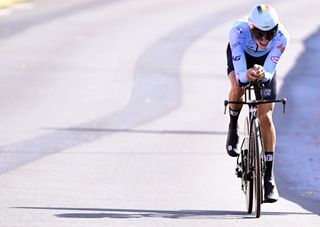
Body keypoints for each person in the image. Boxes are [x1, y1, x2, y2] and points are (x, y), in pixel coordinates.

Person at [226, 4, 289, 203]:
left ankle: (269, 177)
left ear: (276, 31)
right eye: (259, 34)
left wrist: (262, 73)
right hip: (241, 58)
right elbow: (241, 75)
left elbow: (269, 71)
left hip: (265, 63)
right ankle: (233, 127)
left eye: (269, 35)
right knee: (238, 86)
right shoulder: (237, 31)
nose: (264, 40)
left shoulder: (282, 37)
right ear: (251, 28)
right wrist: (246, 75)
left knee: (266, 116)